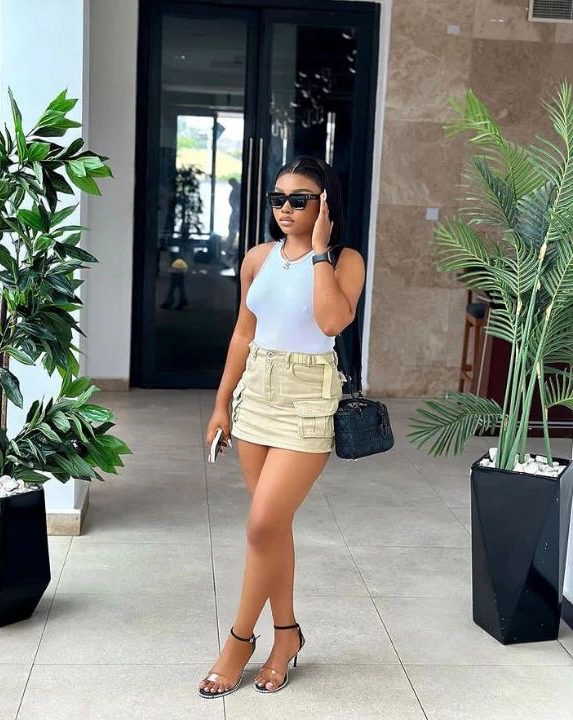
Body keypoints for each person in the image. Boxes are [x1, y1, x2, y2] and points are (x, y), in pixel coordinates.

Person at [198, 155, 365, 698]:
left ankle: (238, 641)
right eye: (278, 199)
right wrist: (222, 403)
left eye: (299, 199)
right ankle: (286, 635)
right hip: (257, 394)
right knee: (273, 528)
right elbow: (243, 333)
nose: (285, 209)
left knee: (262, 524)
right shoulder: (257, 258)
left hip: (308, 397)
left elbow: (332, 321)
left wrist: (318, 251)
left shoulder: (344, 260)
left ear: (325, 204)